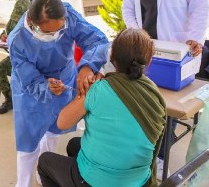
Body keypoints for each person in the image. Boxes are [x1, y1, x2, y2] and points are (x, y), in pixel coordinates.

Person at [122, 0, 209, 176]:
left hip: (179, 50)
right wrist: (137, 32)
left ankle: (159, 159)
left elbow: (200, 7)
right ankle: (148, 151)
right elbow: (127, 8)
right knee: (146, 100)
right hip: (148, 49)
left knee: (165, 106)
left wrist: (194, 38)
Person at [38, 28, 167, 187]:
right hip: (139, 180)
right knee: (73, 144)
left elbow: (62, 123)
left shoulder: (99, 89)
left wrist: (89, 91)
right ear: (150, 59)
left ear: (111, 56)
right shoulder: (153, 92)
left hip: (101, 181)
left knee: (44, 162)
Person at [8, 0, 109, 187]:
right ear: (32, 21)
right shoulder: (17, 39)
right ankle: (23, 182)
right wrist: (45, 87)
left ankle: (44, 171)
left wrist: (87, 66)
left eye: (60, 30)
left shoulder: (69, 16)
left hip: (64, 79)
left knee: (55, 129)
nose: (56, 37)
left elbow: (97, 41)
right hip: (30, 92)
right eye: (49, 33)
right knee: (28, 144)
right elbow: (28, 78)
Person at [0, 0, 45, 114]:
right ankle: (10, 99)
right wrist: (3, 36)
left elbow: (42, 40)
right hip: (17, 58)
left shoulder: (44, 19)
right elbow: (7, 30)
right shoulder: (22, 10)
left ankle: (33, 102)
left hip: (34, 61)